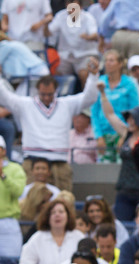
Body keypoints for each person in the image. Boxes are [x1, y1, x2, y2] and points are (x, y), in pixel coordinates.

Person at [0, 57, 100, 192]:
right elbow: (4, 97)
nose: (46, 97)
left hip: (59, 162)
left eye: (50, 94)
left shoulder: (66, 104)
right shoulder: (26, 104)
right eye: (43, 94)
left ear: (56, 91)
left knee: (63, 202)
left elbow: (89, 98)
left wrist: (93, 76)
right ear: (37, 91)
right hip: (33, 161)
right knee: (31, 205)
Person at [97, 81, 139, 221]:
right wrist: (102, 93)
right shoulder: (127, 134)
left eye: (134, 118)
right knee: (120, 224)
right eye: (129, 118)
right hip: (124, 189)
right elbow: (110, 115)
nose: (130, 121)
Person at [19, 199, 85, 264]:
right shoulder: (37, 238)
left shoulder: (78, 237)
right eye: (53, 212)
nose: (57, 215)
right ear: (47, 217)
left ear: (68, 216)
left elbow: (85, 263)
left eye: (61, 212)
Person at [91, 49, 139, 163]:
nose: (108, 63)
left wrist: (125, 136)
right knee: (103, 169)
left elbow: (135, 112)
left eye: (111, 60)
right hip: (103, 133)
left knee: (121, 165)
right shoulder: (99, 83)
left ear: (120, 64)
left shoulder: (129, 84)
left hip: (122, 132)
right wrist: (98, 136)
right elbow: (94, 112)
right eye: (106, 60)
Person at [45, 0, 99, 89]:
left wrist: (88, 37)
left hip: (85, 54)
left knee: (84, 74)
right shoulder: (60, 16)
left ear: (80, 6)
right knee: (56, 75)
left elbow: (94, 35)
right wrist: (45, 24)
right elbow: (48, 33)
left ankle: (88, 100)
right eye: (68, 3)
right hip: (66, 55)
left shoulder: (88, 17)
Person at [0, 135, 26, 258]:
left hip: (8, 222)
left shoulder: (16, 169)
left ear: (4, 150)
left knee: (11, 261)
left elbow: (18, 191)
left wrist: (3, 176)